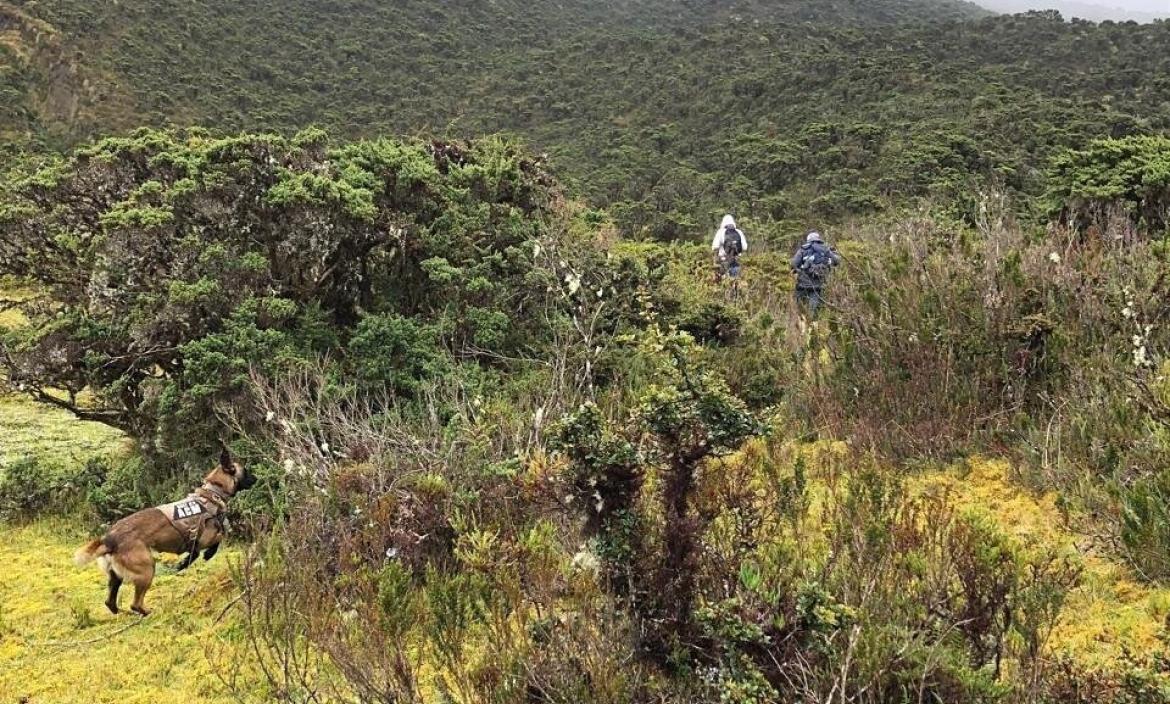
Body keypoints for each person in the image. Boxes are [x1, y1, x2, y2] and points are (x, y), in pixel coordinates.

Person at [790, 231, 841, 318]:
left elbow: (793, 264)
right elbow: (837, 261)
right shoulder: (826, 249)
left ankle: (797, 322)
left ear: (808, 239)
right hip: (818, 285)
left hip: (802, 284)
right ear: (818, 239)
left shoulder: (803, 249)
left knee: (796, 306)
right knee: (813, 310)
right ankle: (812, 324)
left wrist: (798, 270)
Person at [711, 214, 748, 282]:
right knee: (735, 283)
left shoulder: (720, 232)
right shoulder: (739, 232)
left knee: (724, 284)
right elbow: (745, 247)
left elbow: (714, 247)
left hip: (723, 262)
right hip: (735, 262)